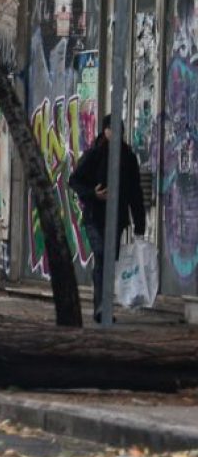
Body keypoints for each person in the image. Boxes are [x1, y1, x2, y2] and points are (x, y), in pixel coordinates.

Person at [69, 114, 146, 322]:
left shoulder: (128, 157)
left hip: (117, 219)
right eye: (113, 130)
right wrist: (93, 194)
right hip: (95, 217)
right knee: (102, 255)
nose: (116, 134)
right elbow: (74, 180)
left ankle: (104, 308)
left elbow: (135, 192)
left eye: (120, 130)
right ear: (105, 131)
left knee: (108, 262)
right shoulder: (95, 154)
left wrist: (140, 224)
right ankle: (102, 308)